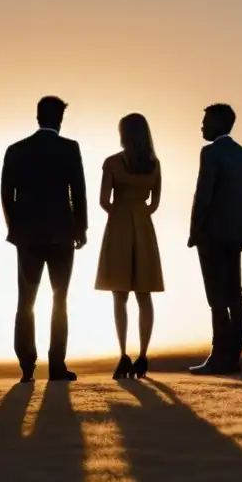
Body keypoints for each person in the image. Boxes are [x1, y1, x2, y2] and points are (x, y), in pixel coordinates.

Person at [1, 95, 88, 383]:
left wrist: (15, 226)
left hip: (27, 236)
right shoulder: (69, 148)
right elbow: (78, 191)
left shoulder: (16, 150)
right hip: (62, 234)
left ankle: (26, 365)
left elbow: (6, 194)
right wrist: (81, 228)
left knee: (25, 300)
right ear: (59, 119)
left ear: (38, 116)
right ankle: (56, 365)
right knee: (59, 299)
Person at [187, 103, 242, 375]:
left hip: (212, 235)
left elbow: (203, 196)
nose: (202, 126)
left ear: (220, 123)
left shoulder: (210, 153)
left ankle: (220, 357)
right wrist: (237, 212)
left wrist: (195, 231)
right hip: (237, 233)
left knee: (217, 297)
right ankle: (233, 356)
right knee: (235, 294)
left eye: (206, 120)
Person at [95, 113, 164, 379]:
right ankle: (143, 355)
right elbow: (154, 203)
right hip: (144, 227)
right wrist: (139, 212)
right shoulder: (154, 164)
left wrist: (120, 212)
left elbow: (104, 200)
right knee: (144, 295)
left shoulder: (112, 163)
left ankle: (123, 353)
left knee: (119, 294)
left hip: (120, 226)